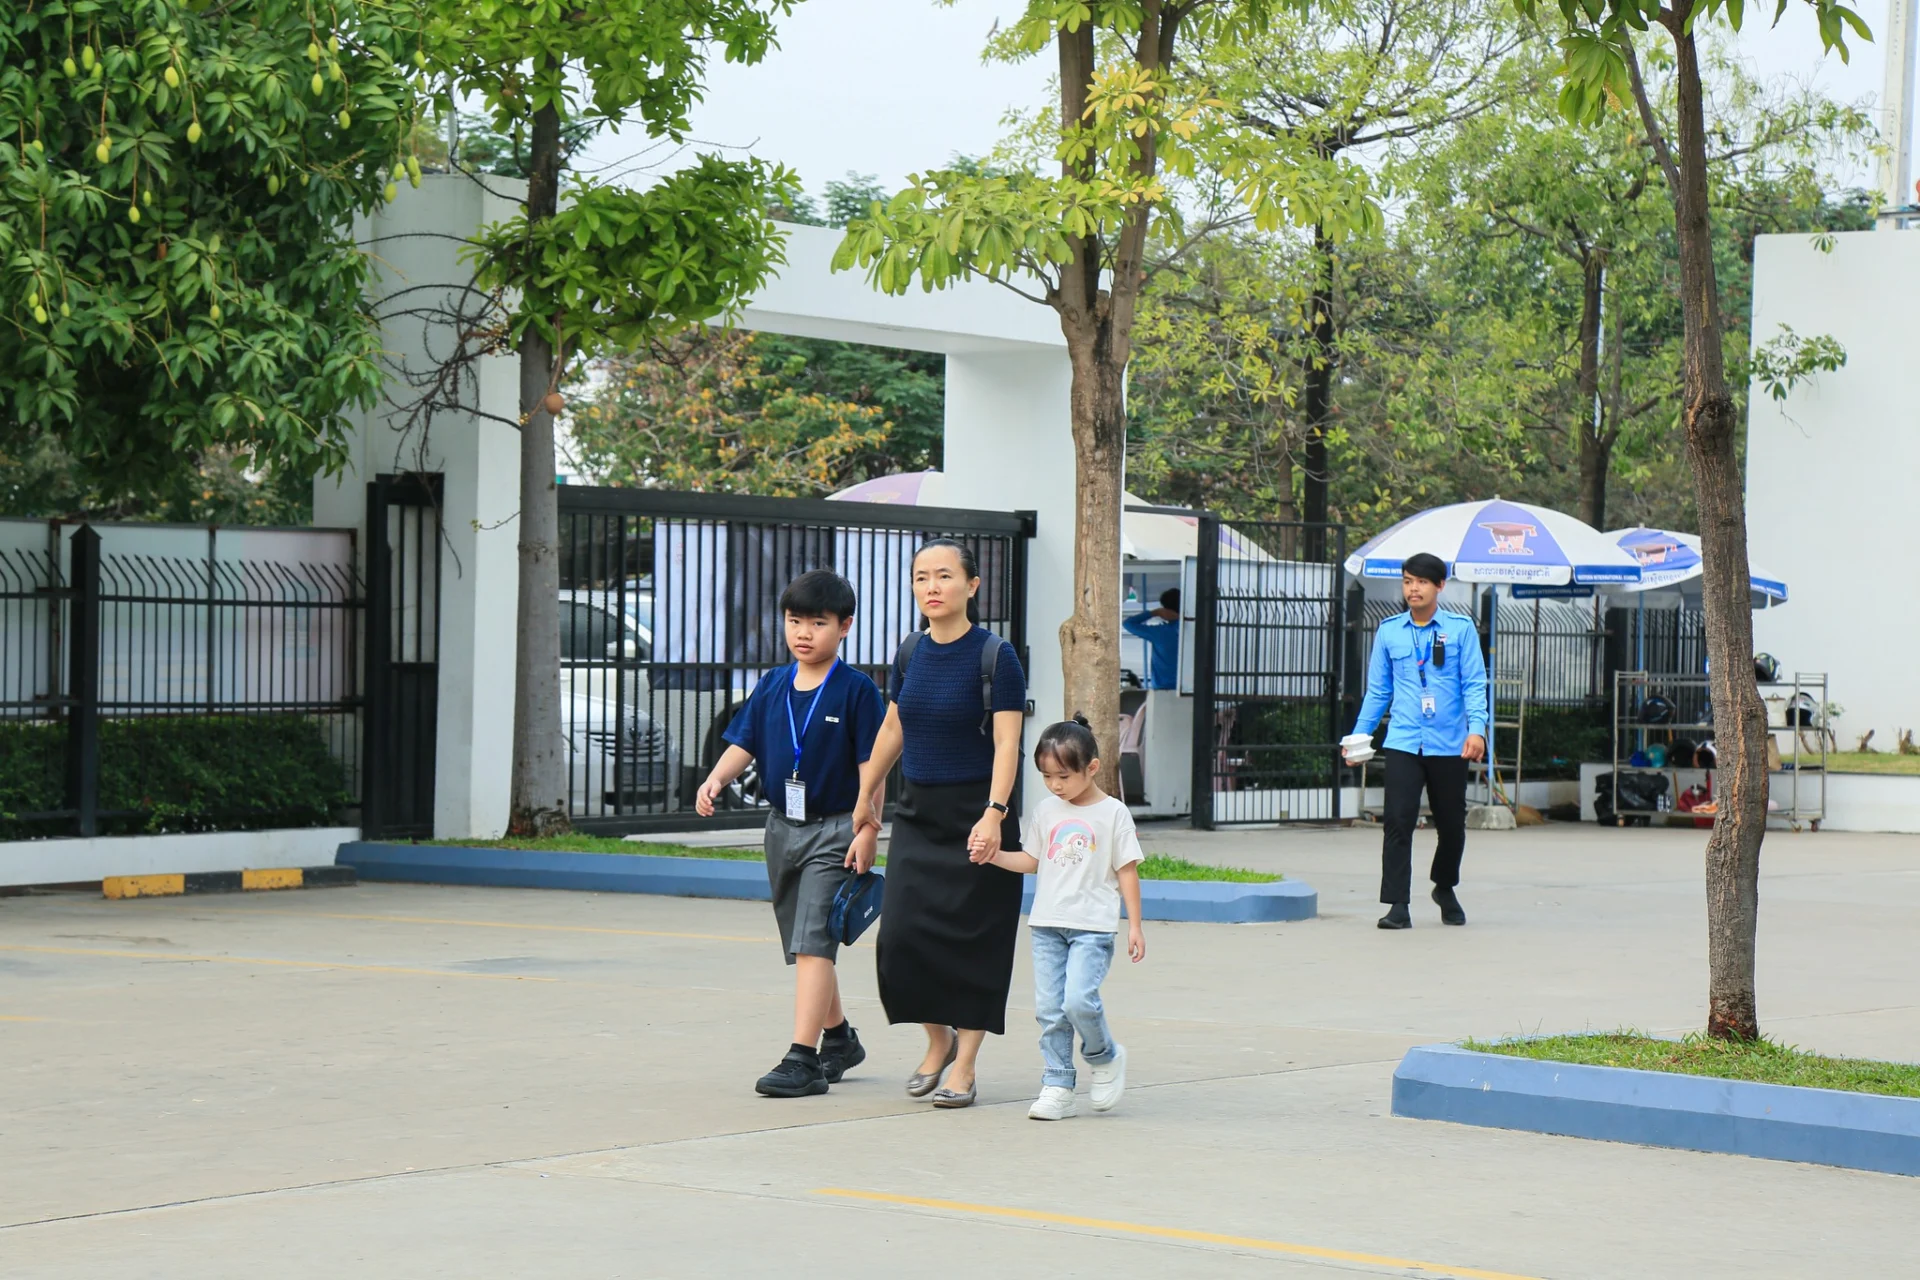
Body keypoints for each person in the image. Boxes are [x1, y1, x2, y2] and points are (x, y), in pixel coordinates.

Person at [697, 569, 886, 1098]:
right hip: (782, 828)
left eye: (818, 623)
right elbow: (746, 741)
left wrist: (868, 828)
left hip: (836, 829)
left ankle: (801, 1059)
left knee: (813, 942)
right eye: (794, 621)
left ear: (845, 626)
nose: (804, 633)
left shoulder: (856, 691)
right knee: (805, 945)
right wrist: (716, 777)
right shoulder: (774, 684)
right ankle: (840, 1038)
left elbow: (875, 767)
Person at [854, 538, 1027, 1110]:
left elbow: (1008, 742)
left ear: (972, 586)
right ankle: (938, 1039)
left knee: (975, 945)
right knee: (899, 940)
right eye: (921, 577)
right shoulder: (910, 653)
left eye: (945, 576)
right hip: (919, 815)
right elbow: (892, 731)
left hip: (978, 814)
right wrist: (866, 797)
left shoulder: (996, 656)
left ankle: (967, 1065)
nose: (932, 586)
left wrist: (996, 814)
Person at [974, 714, 1145, 1121]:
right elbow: (1032, 861)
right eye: (1047, 776)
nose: (1055, 785)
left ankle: (1104, 1057)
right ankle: (1057, 1083)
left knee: (1078, 1001)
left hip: (1093, 927)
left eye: (1063, 776)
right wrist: (994, 855)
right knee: (1050, 1009)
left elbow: (1127, 871)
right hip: (1047, 925)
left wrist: (1135, 925)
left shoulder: (1114, 813)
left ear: (1092, 767)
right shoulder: (1047, 811)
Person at [1344, 552, 1488, 931]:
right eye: (1408, 581)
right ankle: (1397, 905)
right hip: (1405, 741)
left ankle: (1444, 886)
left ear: (1440, 586)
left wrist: (1478, 730)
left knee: (1452, 825)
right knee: (1397, 821)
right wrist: (1360, 737)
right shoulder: (1390, 631)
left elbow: (1474, 684)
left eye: (1422, 582)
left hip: (1450, 743)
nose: (1413, 588)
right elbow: (1378, 692)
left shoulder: (1460, 629)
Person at [1122, 588, 1182, 690]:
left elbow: (1128, 624)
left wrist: (1154, 613)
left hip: (1163, 688)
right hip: (1190, 687)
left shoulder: (1161, 632)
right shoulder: (1194, 628)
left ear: (1166, 610)